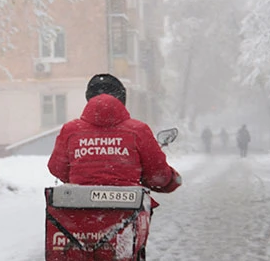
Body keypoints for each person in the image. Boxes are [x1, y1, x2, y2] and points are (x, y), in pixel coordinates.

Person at [48, 73, 182, 194]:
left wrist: (84, 182)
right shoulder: (138, 130)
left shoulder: (71, 130)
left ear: (89, 98)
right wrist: (172, 179)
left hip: (79, 208)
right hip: (128, 208)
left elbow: (57, 167)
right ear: (122, 99)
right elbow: (158, 175)